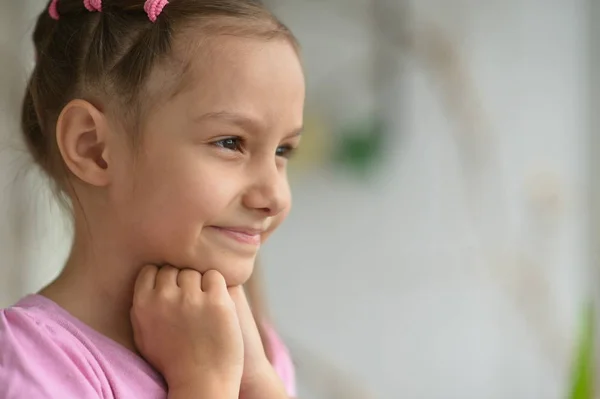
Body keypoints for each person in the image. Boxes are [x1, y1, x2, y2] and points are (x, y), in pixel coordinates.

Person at [0, 0, 305, 398]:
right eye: (230, 142)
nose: (275, 197)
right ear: (93, 148)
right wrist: (204, 382)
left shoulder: (255, 351)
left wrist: (256, 380)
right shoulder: (30, 363)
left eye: (283, 151)